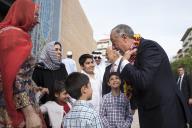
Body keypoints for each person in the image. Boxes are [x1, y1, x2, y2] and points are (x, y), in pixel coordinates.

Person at [110, 24, 191, 128]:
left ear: (124, 37)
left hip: (165, 114)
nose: (113, 47)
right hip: (151, 113)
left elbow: (143, 81)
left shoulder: (149, 47)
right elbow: (131, 82)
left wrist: (124, 62)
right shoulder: (132, 56)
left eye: (113, 42)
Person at [0, 0, 42, 127]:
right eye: (35, 15)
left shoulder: (4, 33)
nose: (37, 20)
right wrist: (29, 113)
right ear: (24, 13)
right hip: (15, 110)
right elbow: (15, 78)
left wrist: (33, 87)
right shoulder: (15, 36)